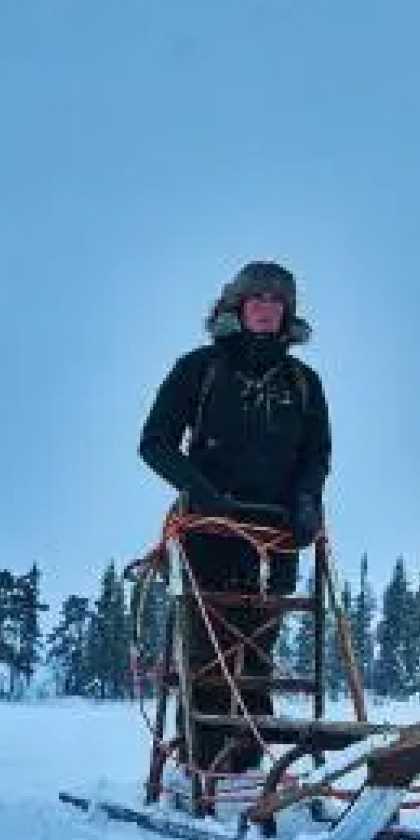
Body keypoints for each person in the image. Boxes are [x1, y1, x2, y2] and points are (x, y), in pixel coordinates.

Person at [138, 259, 332, 771]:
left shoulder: (303, 383)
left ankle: (247, 764)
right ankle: (203, 765)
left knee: (259, 650)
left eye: (276, 300)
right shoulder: (199, 369)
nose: (266, 308)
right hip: (208, 532)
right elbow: (155, 444)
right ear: (236, 307)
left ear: (287, 312)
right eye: (257, 299)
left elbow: (317, 457)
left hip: (276, 536)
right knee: (208, 654)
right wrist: (202, 492)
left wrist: (308, 502)